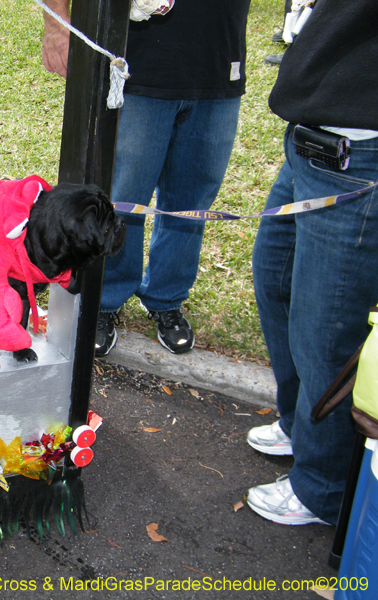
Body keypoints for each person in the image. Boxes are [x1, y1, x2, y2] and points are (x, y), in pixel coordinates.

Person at [41, 0, 251, 357]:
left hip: (219, 64)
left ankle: (166, 298)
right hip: (139, 69)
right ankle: (105, 301)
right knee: (123, 199)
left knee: (192, 203)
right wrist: (57, 25)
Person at [246, 0, 378, 526]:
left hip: (357, 156)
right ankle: (302, 426)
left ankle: (321, 488)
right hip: (311, 141)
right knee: (274, 279)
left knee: (325, 328)